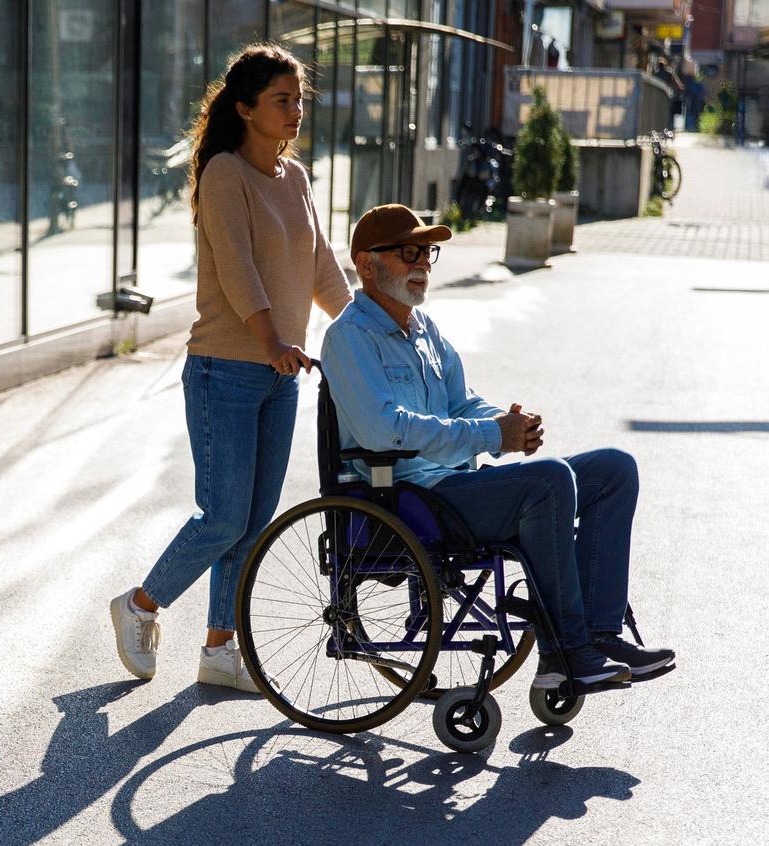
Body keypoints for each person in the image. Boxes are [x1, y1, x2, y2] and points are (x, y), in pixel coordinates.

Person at [319, 204, 676, 692]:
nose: (422, 262)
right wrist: (491, 437)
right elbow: (385, 431)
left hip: (455, 485)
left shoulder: (424, 331)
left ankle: (597, 634)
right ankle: (568, 651)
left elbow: (462, 403)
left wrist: (507, 426)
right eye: (408, 253)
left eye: (427, 252)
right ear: (366, 264)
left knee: (614, 470)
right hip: (406, 498)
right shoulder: (348, 338)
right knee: (549, 481)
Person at [110, 44, 352, 693]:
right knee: (221, 517)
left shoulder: (295, 178)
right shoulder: (224, 173)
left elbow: (319, 264)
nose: (296, 110)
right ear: (245, 109)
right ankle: (140, 605)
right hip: (226, 370)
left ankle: (220, 649)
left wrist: (361, 328)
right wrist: (274, 339)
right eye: (283, 100)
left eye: (300, 99)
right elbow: (240, 272)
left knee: (255, 520)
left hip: (279, 375)